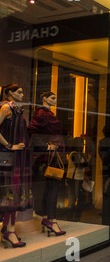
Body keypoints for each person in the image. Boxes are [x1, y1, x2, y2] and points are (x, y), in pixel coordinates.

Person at [28, 91, 66, 236]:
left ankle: (47, 217)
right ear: (44, 99)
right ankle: (51, 219)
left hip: (55, 155)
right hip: (50, 156)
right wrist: (46, 146)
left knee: (51, 187)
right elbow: (31, 130)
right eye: (52, 98)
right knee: (52, 187)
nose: (55, 100)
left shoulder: (48, 113)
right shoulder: (42, 113)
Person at [0, 84, 32, 248]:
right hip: (9, 157)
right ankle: (9, 231)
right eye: (19, 92)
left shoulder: (16, 109)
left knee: (13, 192)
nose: (22, 93)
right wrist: (9, 145)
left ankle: (8, 228)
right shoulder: (6, 107)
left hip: (16, 157)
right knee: (11, 191)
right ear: (9, 93)